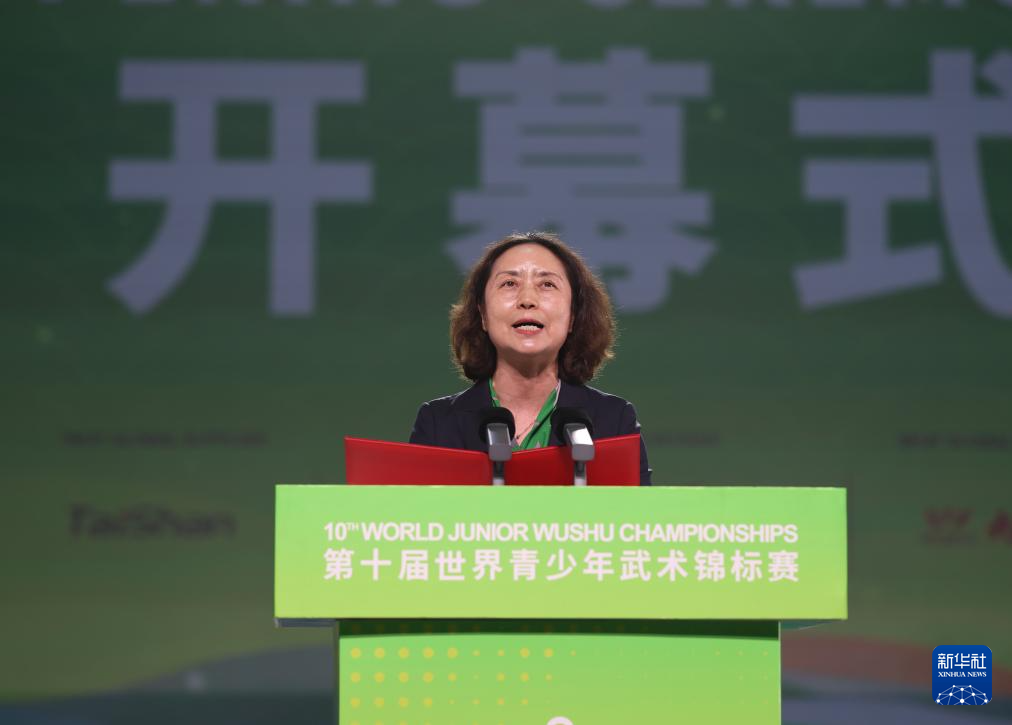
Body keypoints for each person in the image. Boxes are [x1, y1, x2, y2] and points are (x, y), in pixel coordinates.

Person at [410, 231, 652, 485]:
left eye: (547, 284)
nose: (527, 300)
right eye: (509, 284)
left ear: (572, 316)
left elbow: (638, 511)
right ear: (482, 314)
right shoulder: (438, 423)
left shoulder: (614, 421)